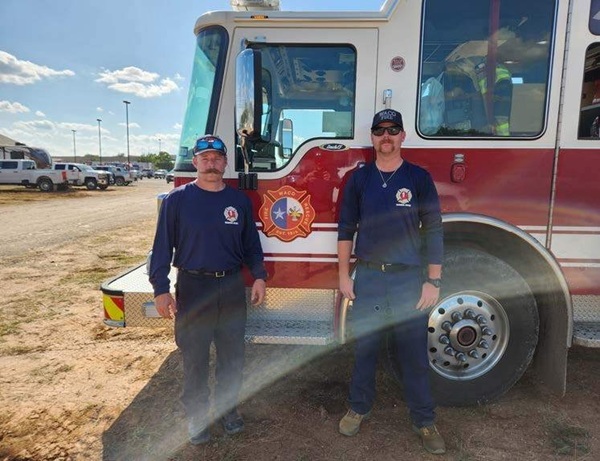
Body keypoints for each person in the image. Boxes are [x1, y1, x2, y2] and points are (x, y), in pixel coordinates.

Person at [337, 109, 446, 455]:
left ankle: (425, 421)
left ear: (402, 136)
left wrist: (433, 280)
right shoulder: (359, 179)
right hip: (368, 276)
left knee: (413, 354)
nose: (386, 136)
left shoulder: (418, 178)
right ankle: (359, 408)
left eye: (393, 130)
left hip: (407, 280)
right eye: (380, 130)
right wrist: (344, 275)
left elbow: (434, 230)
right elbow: (345, 230)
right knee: (365, 348)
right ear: (372, 137)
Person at [148, 134, 267, 445]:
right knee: (195, 359)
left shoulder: (239, 201)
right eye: (205, 158)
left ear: (226, 163)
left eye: (217, 158)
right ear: (195, 162)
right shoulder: (177, 200)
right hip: (193, 287)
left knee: (232, 357)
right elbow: (161, 248)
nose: (211, 163)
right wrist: (160, 288)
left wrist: (259, 276)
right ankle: (198, 417)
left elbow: (251, 246)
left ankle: (228, 411)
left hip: (230, 286)